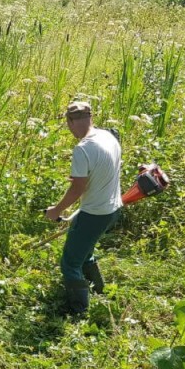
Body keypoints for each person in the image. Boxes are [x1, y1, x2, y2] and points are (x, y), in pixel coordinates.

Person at [45, 100, 122, 316]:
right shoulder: (108, 136)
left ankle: (78, 311)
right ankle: (98, 289)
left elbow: (77, 189)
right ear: (91, 118)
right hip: (113, 208)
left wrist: (56, 211)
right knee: (85, 252)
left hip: (95, 214)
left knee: (69, 263)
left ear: (69, 122)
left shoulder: (83, 149)